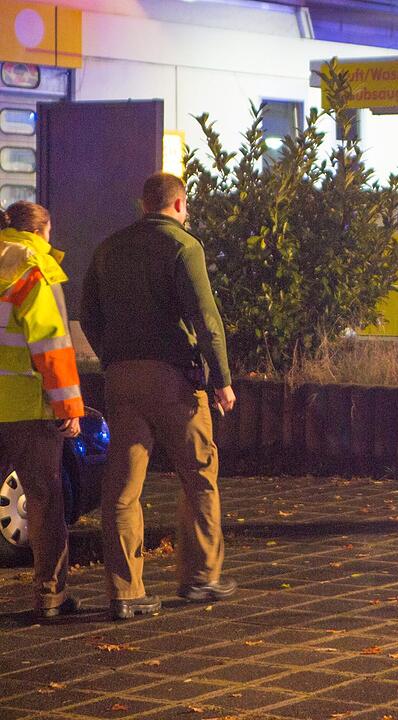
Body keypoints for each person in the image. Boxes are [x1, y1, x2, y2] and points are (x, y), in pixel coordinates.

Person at [81, 173, 237, 621]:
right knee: (199, 475)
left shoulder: (110, 248)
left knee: (122, 490)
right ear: (179, 203)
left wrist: (114, 352)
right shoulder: (183, 246)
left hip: (122, 379)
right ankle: (200, 576)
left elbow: (88, 312)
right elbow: (205, 318)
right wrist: (221, 379)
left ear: (143, 203)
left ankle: (125, 591)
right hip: (173, 380)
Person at [0, 201, 84, 618]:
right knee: (45, 499)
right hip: (27, 407)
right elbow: (50, 342)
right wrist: (68, 403)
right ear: (43, 230)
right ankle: (50, 595)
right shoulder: (34, 267)